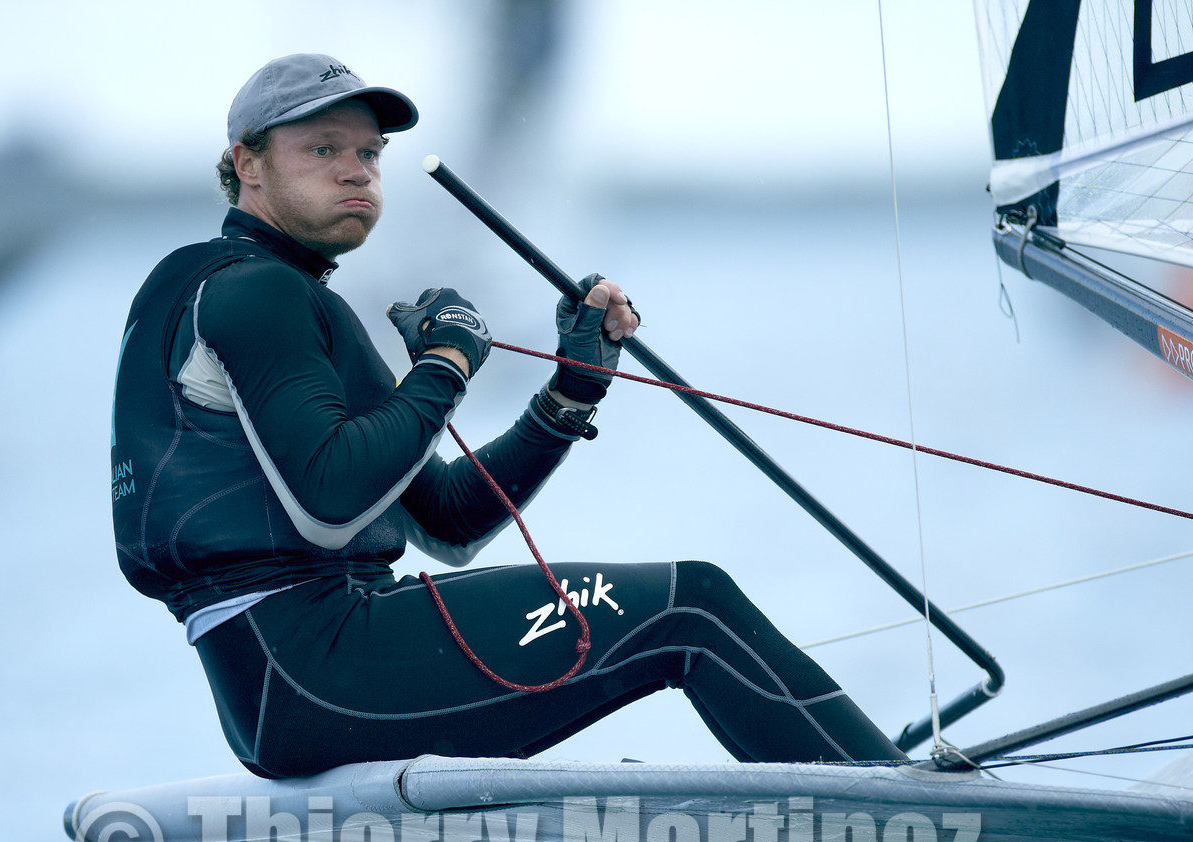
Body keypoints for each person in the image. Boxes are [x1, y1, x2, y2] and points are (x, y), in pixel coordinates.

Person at [110, 53, 904, 778]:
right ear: (247, 163)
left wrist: (572, 391)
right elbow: (332, 494)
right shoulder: (258, 292)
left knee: (686, 610)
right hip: (317, 664)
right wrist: (447, 363)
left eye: (369, 154)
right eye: (323, 150)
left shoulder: (263, 294)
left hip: (294, 682)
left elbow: (450, 520)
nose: (356, 171)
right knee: (691, 606)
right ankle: (910, 822)